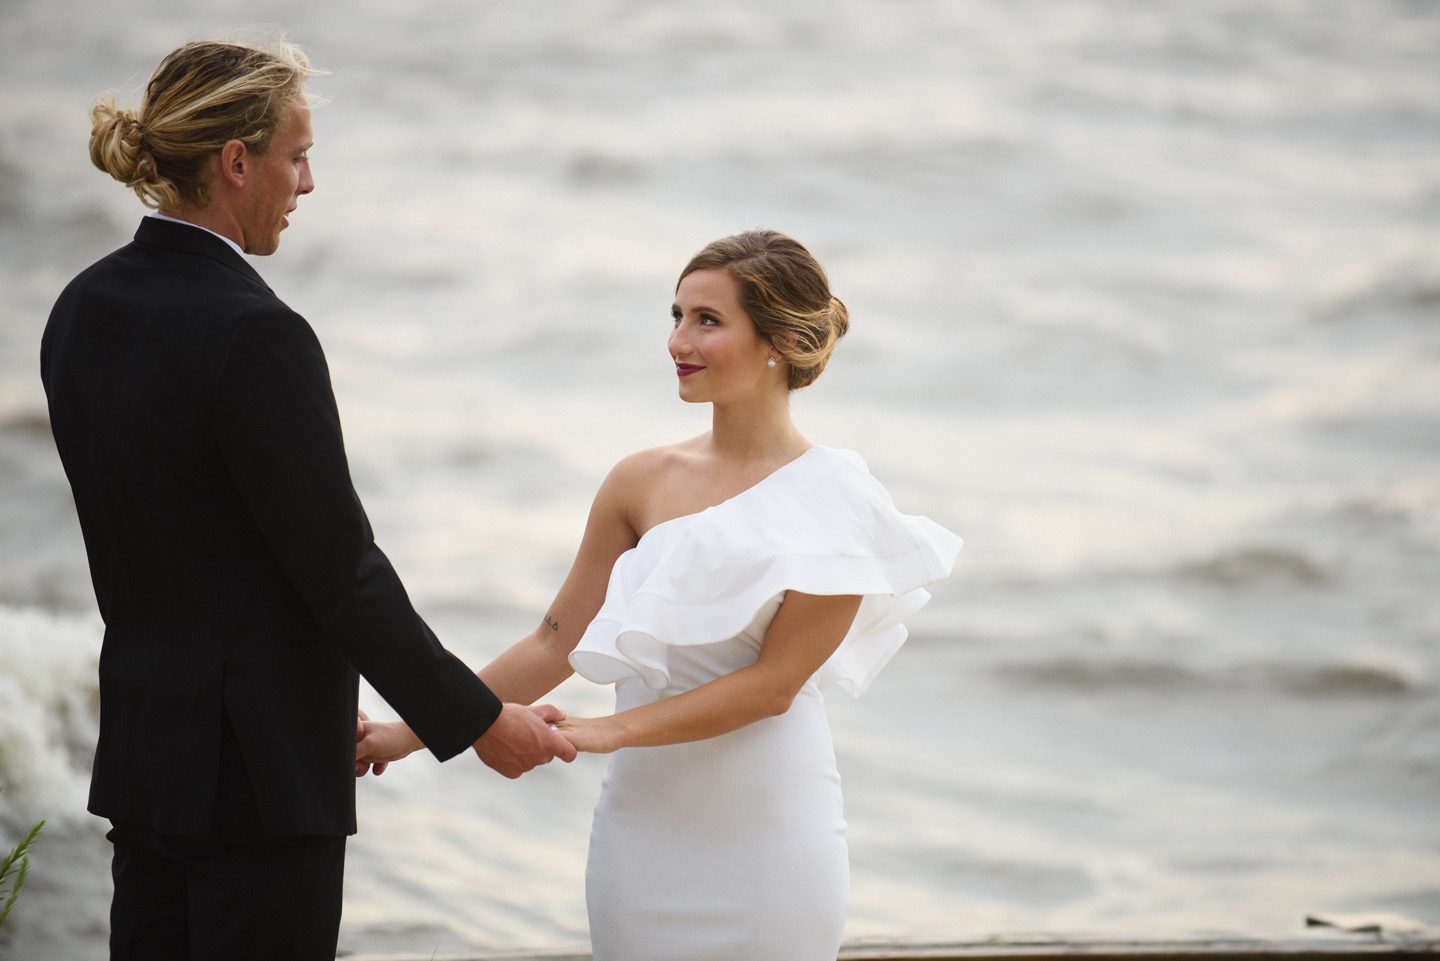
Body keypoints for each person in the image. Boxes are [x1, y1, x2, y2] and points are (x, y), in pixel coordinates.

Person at [40, 38, 574, 961]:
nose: (309, 182)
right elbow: (341, 570)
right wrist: (478, 721)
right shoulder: (258, 333)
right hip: (262, 779)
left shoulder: (82, 307)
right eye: (298, 155)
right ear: (236, 163)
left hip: (144, 753)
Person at [358, 230, 962, 960]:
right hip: (642, 839)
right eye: (676, 315)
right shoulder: (638, 482)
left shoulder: (838, 501)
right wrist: (407, 731)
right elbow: (555, 642)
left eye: (708, 320)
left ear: (777, 339)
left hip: (772, 846)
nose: (679, 339)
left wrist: (598, 731)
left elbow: (772, 686)